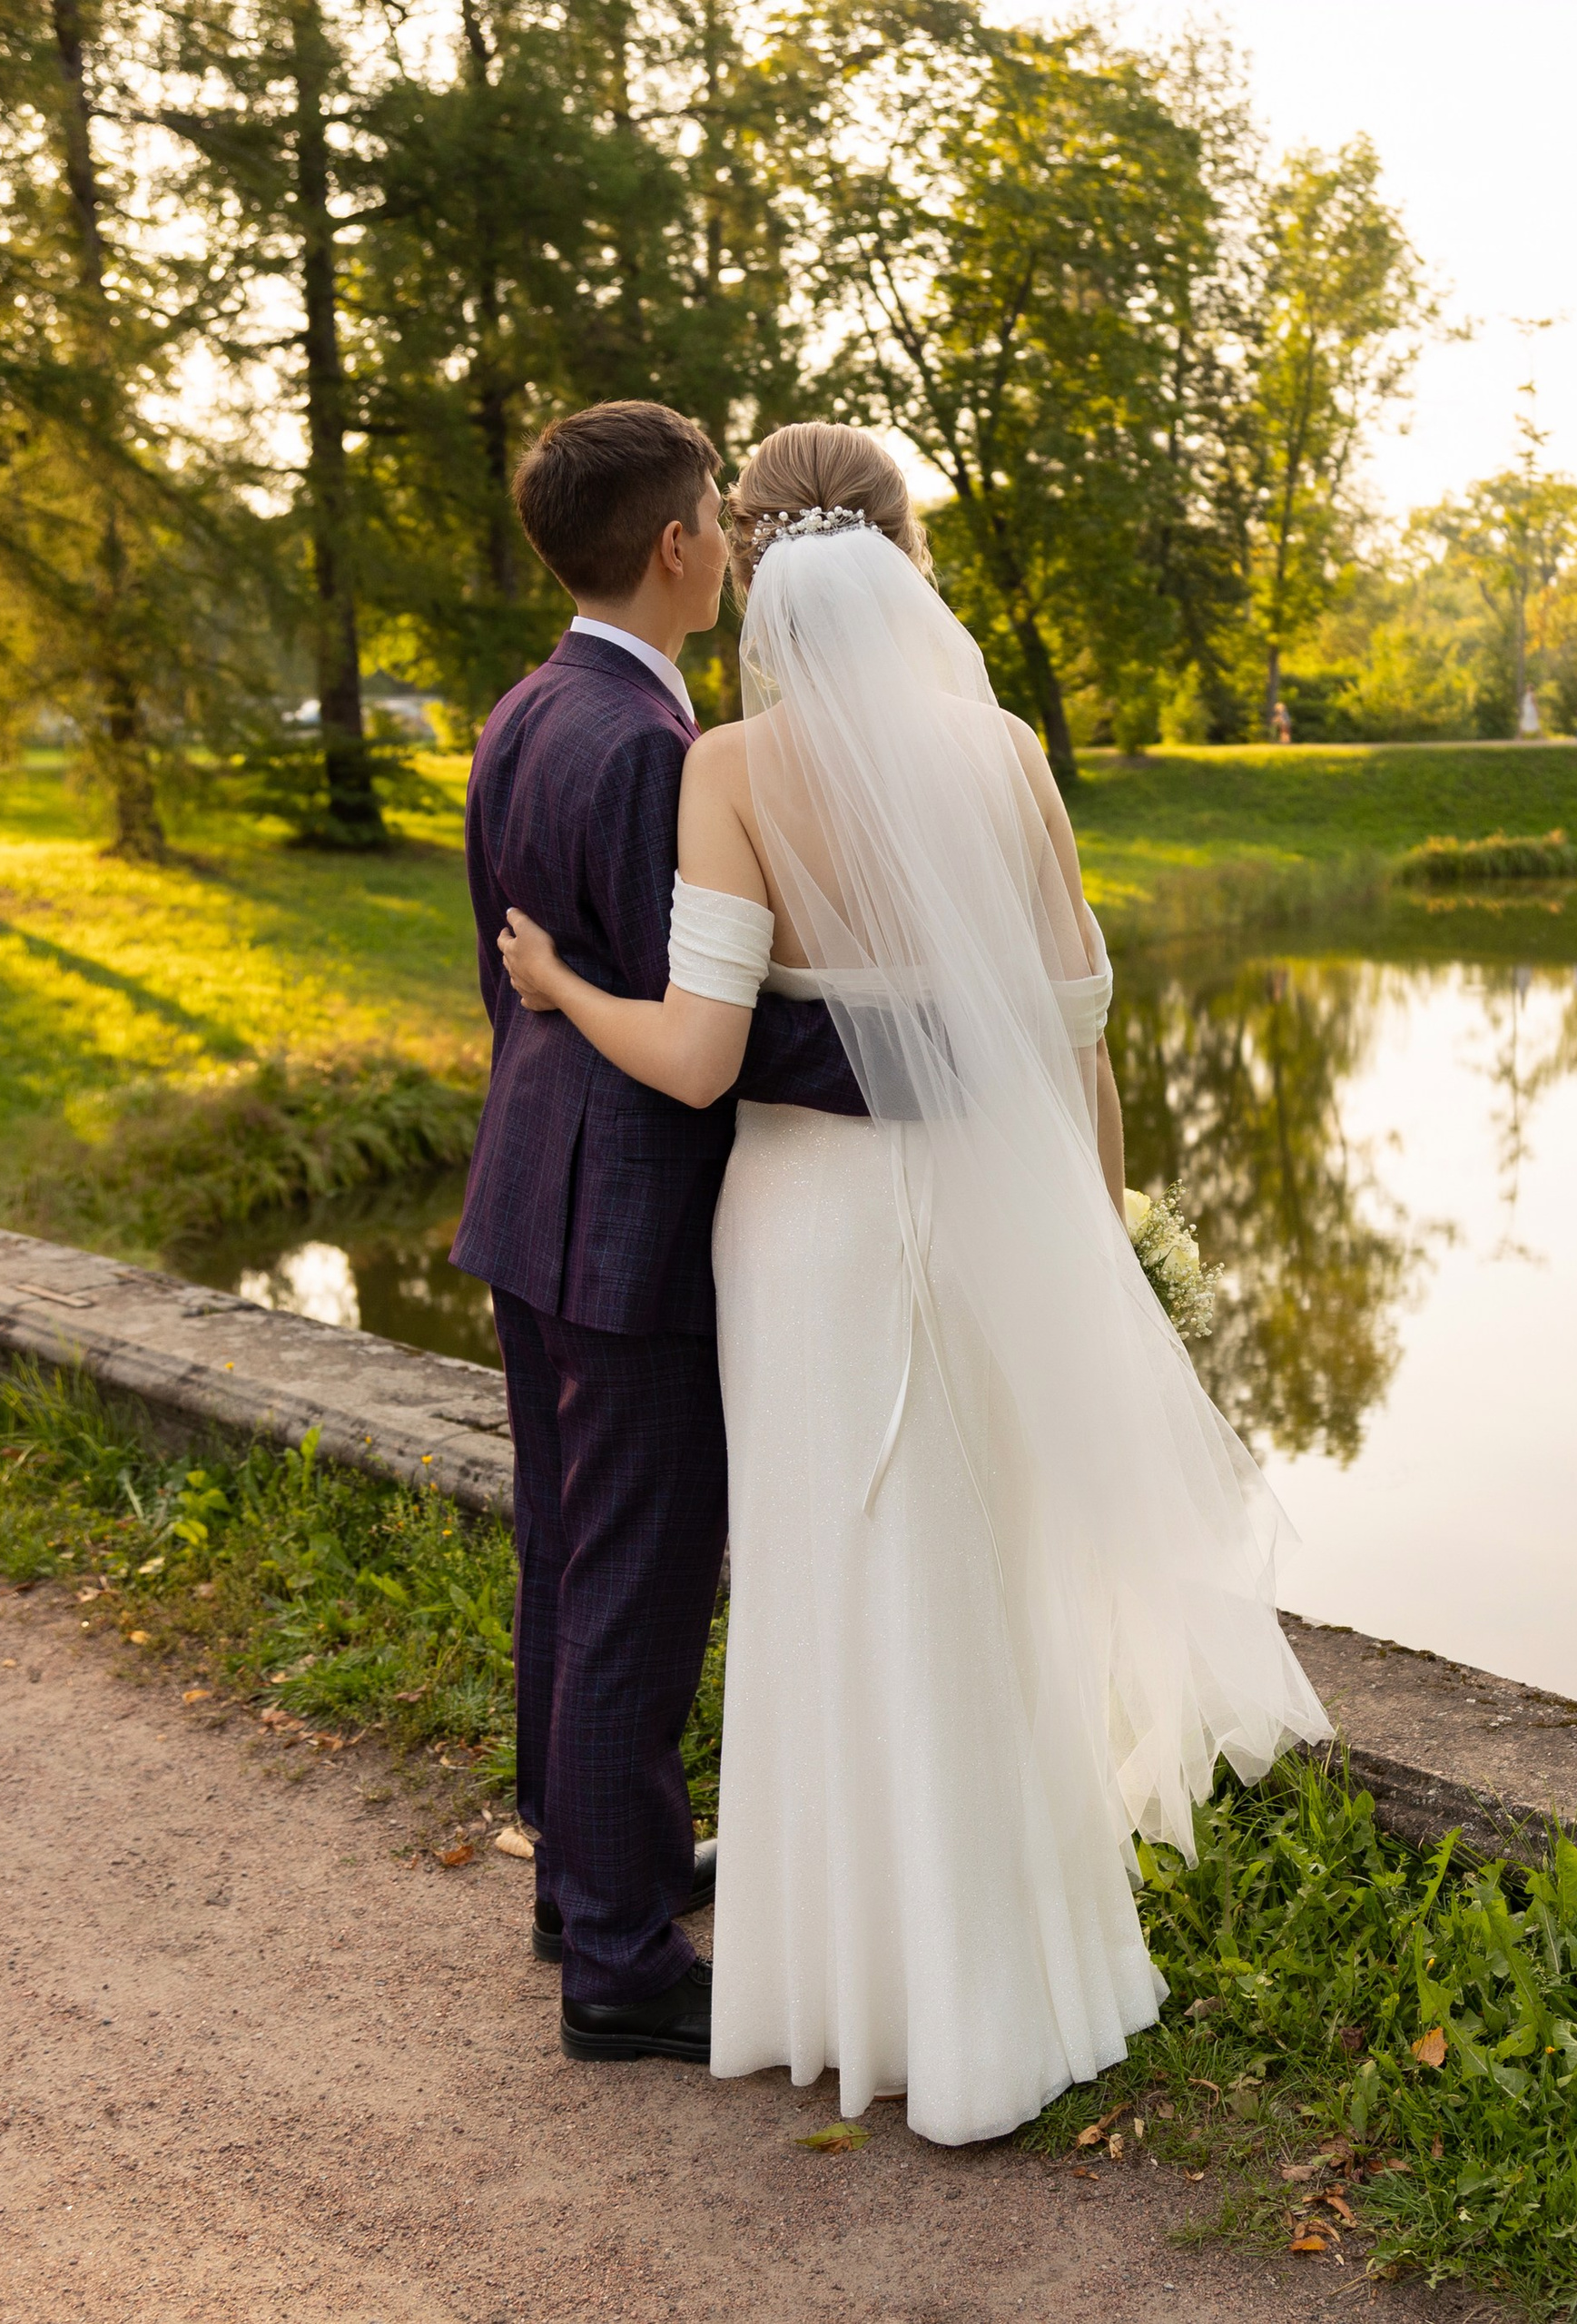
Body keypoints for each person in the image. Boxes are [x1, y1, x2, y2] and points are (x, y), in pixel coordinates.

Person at [498, 421, 1329, 2144]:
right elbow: (1080, 1042)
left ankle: (834, 1982)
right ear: (908, 563)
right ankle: (1005, 1977)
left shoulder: (729, 766)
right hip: (977, 1215)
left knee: (826, 1588)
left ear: (770, 562)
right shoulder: (1012, 753)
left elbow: (705, 1059)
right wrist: (1095, 1253)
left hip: (803, 1241)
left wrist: (566, 993)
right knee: (982, 1574)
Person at [453, 404, 872, 2068]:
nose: (723, 537)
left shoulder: (525, 709)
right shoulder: (647, 747)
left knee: (568, 1553)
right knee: (637, 1578)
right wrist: (925, 1047)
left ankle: (586, 1875)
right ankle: (622, 1963)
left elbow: (537, 977)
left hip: (532, 1193)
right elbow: (706, 1021)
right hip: (628, 1222)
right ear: (683, 547)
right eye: (711, 511)